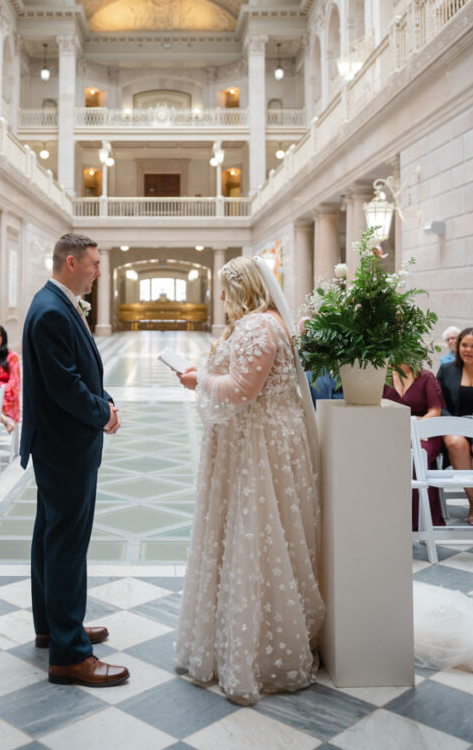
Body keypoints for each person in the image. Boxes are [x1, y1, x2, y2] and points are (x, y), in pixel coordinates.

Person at [175, 256, 324, 703]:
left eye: (226, 290)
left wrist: (197, 379)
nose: (221, 299)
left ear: (243, 289)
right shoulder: (273, 323)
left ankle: (257, 654)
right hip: (264, 437)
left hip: (257, 444)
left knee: (257, 534)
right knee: (262, 532)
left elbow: (242, 390)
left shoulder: (258, 327)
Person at [21, 233, 129, 688]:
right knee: (66, 546)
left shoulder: (54, 304)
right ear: (71, 262)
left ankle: (53, 626)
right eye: (94, 264)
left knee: (51, 536)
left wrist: (102, 397)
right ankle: (69, 655)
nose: (98, 272)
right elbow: (64, 386)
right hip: (65, 446)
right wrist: (102, 412)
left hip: (58, 445)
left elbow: (78, 371)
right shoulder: (50, 311)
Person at [437, 328, 473, 525]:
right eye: (464, 345)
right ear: (458, 346)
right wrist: (454, 424)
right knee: (455, 443)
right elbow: (439, 404)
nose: (467, 350)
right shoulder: (447, 370)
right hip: (454, 424)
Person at [383, 365, 444, 529]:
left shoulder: (426, 377)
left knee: (417, 455)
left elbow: (435, 411)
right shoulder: (382, 376)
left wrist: (412, 429)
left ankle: (420, 521)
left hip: (424, 433)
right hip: (390, 433)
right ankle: (388, 517)